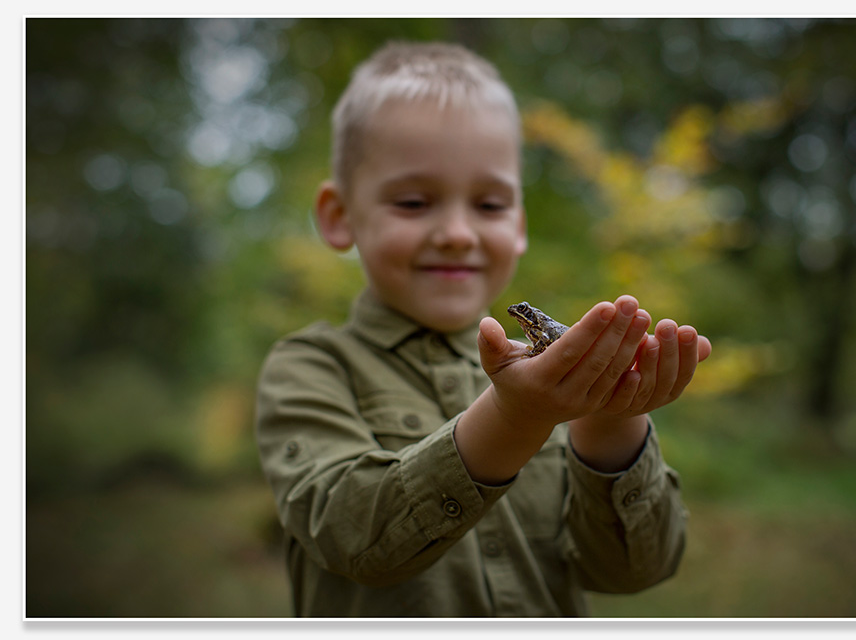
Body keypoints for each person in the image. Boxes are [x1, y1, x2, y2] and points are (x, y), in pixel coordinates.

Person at [255, 40, 712, 617]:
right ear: (340, 216)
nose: (457, 233)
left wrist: (610, 417)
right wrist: (514, 419)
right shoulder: (309, 367)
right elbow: (351, 538)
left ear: (519, 225)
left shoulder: (549, 369)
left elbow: (631, 572)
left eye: (490, 205)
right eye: (415, 201)